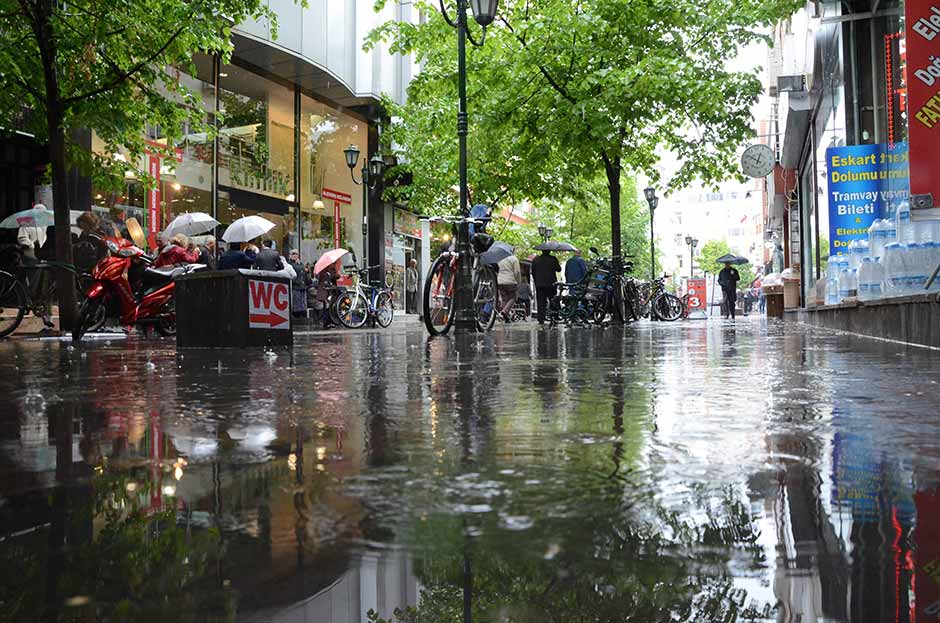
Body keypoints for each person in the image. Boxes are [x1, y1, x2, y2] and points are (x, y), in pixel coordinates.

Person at [531, 249, 561, 325]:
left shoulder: (536, 260)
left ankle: (541, 318)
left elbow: (533, 272)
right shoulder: (553, 259)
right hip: (551, 283)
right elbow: (559, 269)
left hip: (540, 284)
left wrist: (536, 281)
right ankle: (554, 316)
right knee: (553, 300)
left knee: (541, 302)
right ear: (549, 251)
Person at [496, 252, 522, 322]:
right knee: (513, 297)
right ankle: (504, 311)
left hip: (500, 281)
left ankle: (506, 317)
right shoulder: (514, 259)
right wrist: (519, 282)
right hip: (510, 281)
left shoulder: (500, 259)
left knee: (504, 299)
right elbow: (517, 272)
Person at [316, 259, 341, 329]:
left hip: (326, 290)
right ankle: (326, 322)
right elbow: (334, 276)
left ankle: (327, 322)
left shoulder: (324, 269)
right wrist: (337, 274)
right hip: (327, 291)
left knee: (327, 306)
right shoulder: (330, 268)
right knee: (328, 307)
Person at [288, 249, 311, 318]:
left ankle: (302, 316)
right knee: (296, 305)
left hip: (302, 287)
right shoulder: (289, 264)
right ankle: (297, 317)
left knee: (303, 305)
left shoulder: (301, 264)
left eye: (296, 254)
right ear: (290, 255)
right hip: (295, 287)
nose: (295, 255)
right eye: (293, 254)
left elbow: (304, 274)